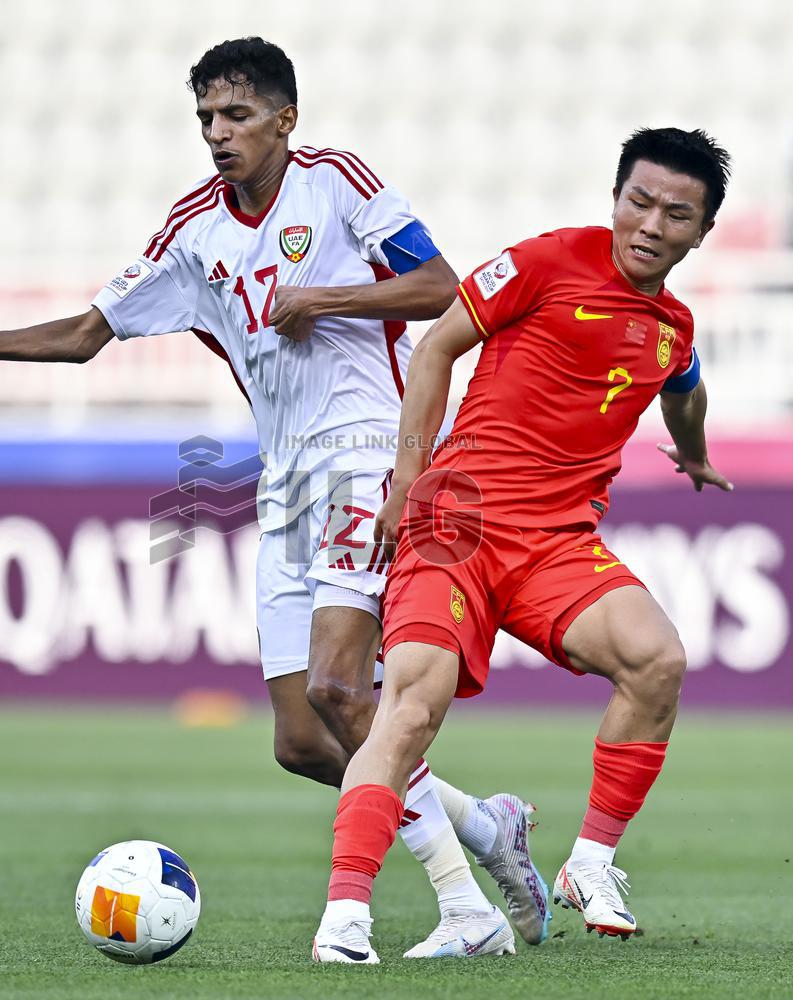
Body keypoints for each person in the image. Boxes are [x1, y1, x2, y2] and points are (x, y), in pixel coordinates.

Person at [0, 37, 547, 957]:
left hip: (364, 454)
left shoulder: (337, 183)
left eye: (234, 116)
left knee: (340, 688)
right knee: (302, 741)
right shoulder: (193, 230)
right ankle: (481, 823)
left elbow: (438, 289)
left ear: (285, 119)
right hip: (284, 478)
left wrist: (325, 297)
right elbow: (83, 334)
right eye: (204, 119)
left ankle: (466, 911)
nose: (217, 135)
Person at [311, 127, 733, 963]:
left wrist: (692, 451)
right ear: (614, 198)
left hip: (553, 545)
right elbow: (435, 348)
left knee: (658, 659)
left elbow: (683, 388)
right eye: (637, 201)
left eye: (674, 214)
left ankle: (589, 864)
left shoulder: (671, 328)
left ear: (699, 231)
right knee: (408, 712)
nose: (649, 224)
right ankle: (345, 916)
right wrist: (406, 479)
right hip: (457, 523)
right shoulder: (542, 262)